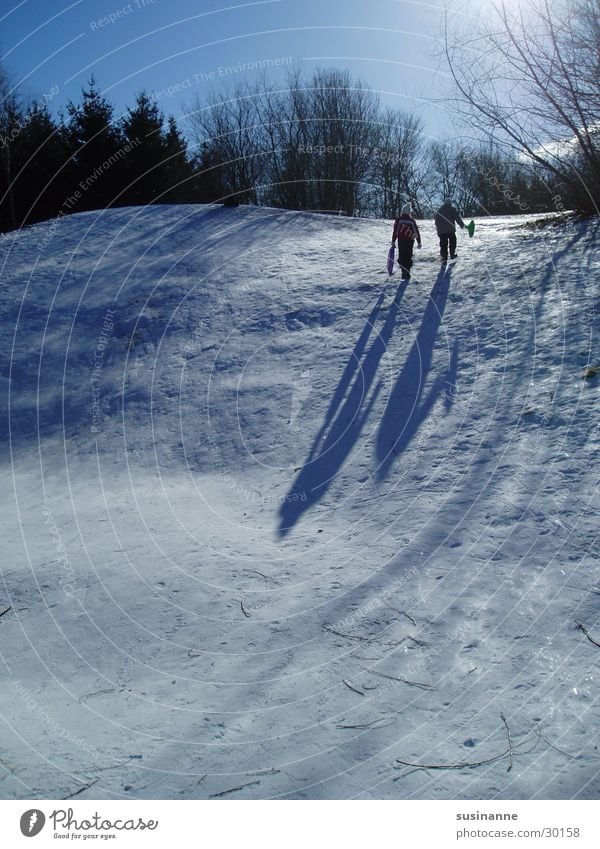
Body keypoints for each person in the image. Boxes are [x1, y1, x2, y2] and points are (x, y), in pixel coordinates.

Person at [392, 203, 422, 281]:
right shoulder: (411, 221)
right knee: (408, 256)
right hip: (410, 241)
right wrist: (419, 242)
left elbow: (395, 231)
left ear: (402, 211)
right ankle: (407, 272)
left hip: (401, 241)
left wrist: (393, 241)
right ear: (409, 212)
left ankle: (403, 272)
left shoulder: (398, 220)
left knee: (402, 255)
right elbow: (416, 232)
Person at [435, 197, 465, 262]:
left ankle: (444, 257)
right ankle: (452, 254)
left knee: (443, 243)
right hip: (450, 230)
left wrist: (439, 230)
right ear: (450, 203)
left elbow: (436, 221)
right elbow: (457, 218)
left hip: (441, 231)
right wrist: (462, 225)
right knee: (453, 241)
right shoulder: (452, 209)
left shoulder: (440, 210)